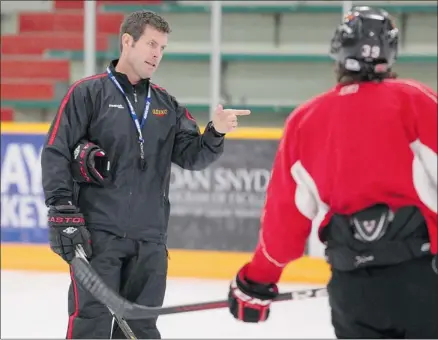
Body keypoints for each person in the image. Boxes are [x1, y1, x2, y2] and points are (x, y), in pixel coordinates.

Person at [227, 6, 437, 339]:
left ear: (340, 50)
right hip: (424, 281)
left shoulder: (305, 120)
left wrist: (258, 279)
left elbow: (284, 223)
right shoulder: (419, 101)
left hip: (353, 291)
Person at [41, 10, 250, 339]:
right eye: (151, 44)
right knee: (90, 322)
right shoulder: (87, 93)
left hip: (150, 241)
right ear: (127, 41)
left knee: (141, 329)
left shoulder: (166, 104)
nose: (157, 54)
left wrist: (214, 133)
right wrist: (61, 209)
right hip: (98, 237)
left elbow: (191, 156)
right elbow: (56, 150)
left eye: (163, 47)